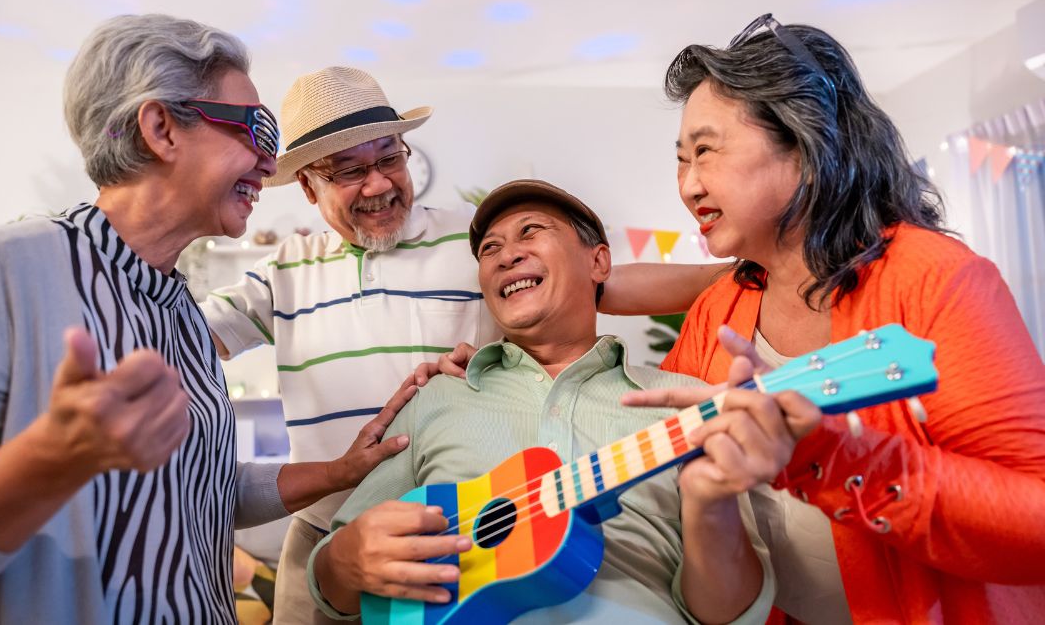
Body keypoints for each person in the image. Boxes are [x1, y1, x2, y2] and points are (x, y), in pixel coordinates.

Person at [0, 15, 410, 623]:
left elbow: (204, 492)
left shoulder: (183, 313)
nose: (268, 163)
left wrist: (338, 471)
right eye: (257, 128)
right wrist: (50, 463)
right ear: (161, 129)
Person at [198, 67, 720, 623]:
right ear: (308, 187)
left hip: (463, 528)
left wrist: (741, 273)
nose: (377, 184)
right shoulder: (283, 270)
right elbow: (184, 336)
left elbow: (595, 284)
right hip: (326, 526)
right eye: (349, 170)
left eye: (389, 158)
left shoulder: (474, 244)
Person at [610, 14, 1045, 623]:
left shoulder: (936, 280)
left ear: (807, 145)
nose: (687, 186)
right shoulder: (717, 311)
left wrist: (827, 455)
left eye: (704, 151)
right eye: (681, 161)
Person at [303, 179, 824, 623]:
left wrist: (711, 504)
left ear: (599, 262)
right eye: (490, 249)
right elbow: (332, 587)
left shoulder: (683, 405)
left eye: (531, 231)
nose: (507, 254)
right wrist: (345, 559)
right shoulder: (438, 395)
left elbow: (729, 615)